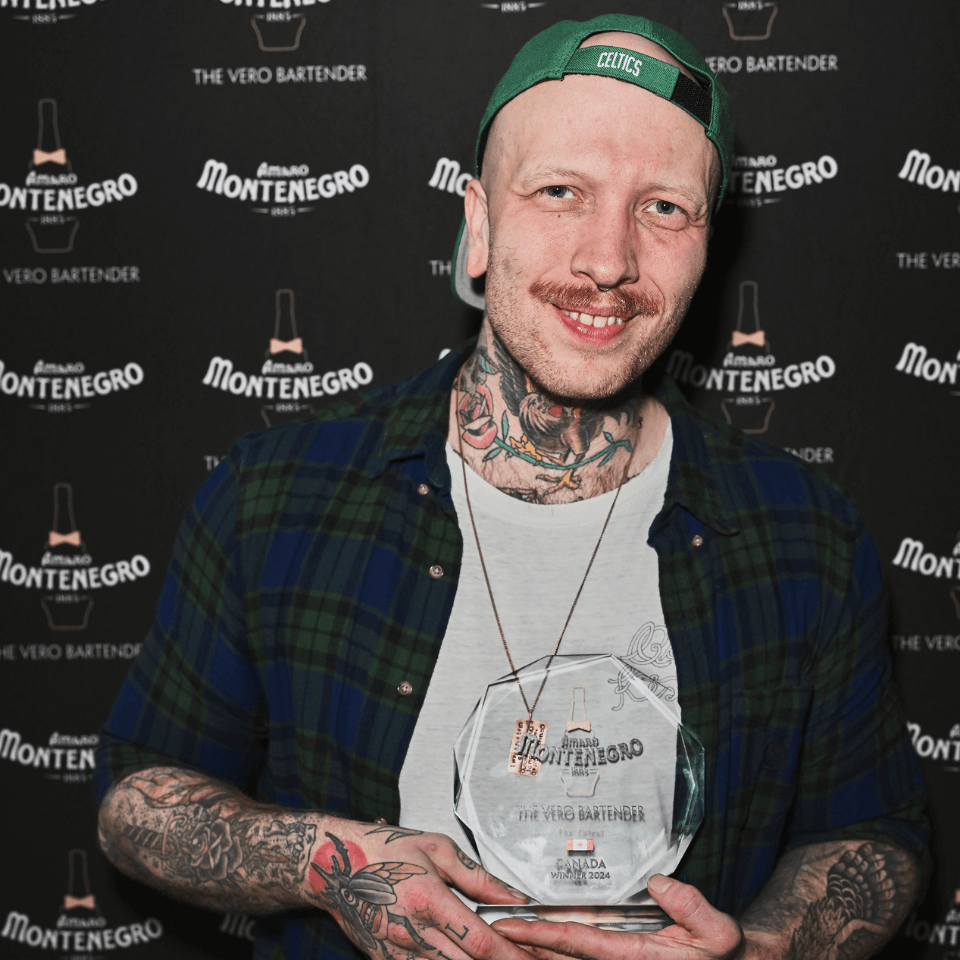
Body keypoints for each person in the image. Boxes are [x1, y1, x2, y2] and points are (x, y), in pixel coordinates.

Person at [95, 14, 928, 960]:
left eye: (664, 208)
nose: (607, 261)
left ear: (706, 246)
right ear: (480, 225)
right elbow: (138, 800)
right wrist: (332, 859)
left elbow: (873, 836)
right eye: (561, 191)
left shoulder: (804, 536)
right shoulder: (275, 496)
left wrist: (763, 950)